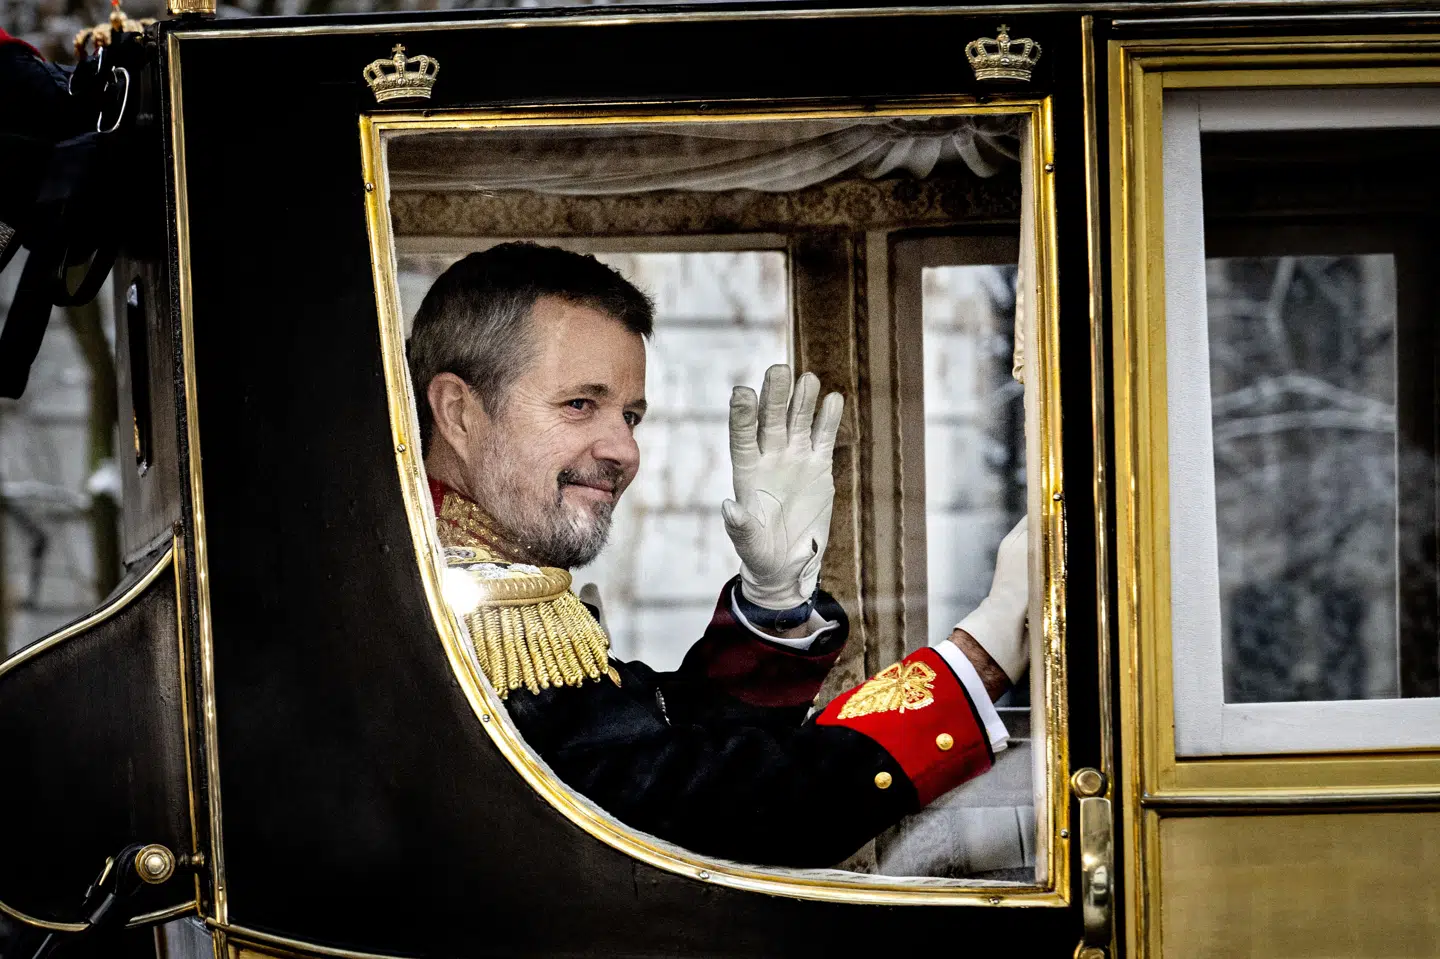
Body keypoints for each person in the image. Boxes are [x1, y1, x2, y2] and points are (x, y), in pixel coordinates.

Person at [408, 242, 1029, 867]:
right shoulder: (451, 609)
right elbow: (701, 815)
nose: (625, 451)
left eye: (630, 416)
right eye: (579, 405)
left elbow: (655, 741)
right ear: (459, 412)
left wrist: (772, 601)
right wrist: (977, 660)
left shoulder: (496, 584)